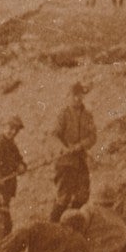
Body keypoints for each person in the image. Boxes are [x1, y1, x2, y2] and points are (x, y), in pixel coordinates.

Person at [50, 82, 97, 221]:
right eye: (74, 95)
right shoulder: (63, 114)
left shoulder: (88, 115)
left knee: (82, 196)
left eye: (80, 95)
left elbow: (93, 136)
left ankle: (71, 224)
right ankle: (52, 226)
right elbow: (53, 135)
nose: (77, 98)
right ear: (69, 96)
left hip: (80, 160)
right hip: (65, 162)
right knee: (63, 197)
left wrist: (81, 145)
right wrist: (63, 148)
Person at [0, 117, 29, 225]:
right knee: (0, 221)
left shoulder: (11, 145)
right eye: (11, 128)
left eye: (16, 130)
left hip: (6, 188)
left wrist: (21, 166)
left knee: (4, 220)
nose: (13, 132)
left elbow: (19, 160)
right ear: (3, 127)